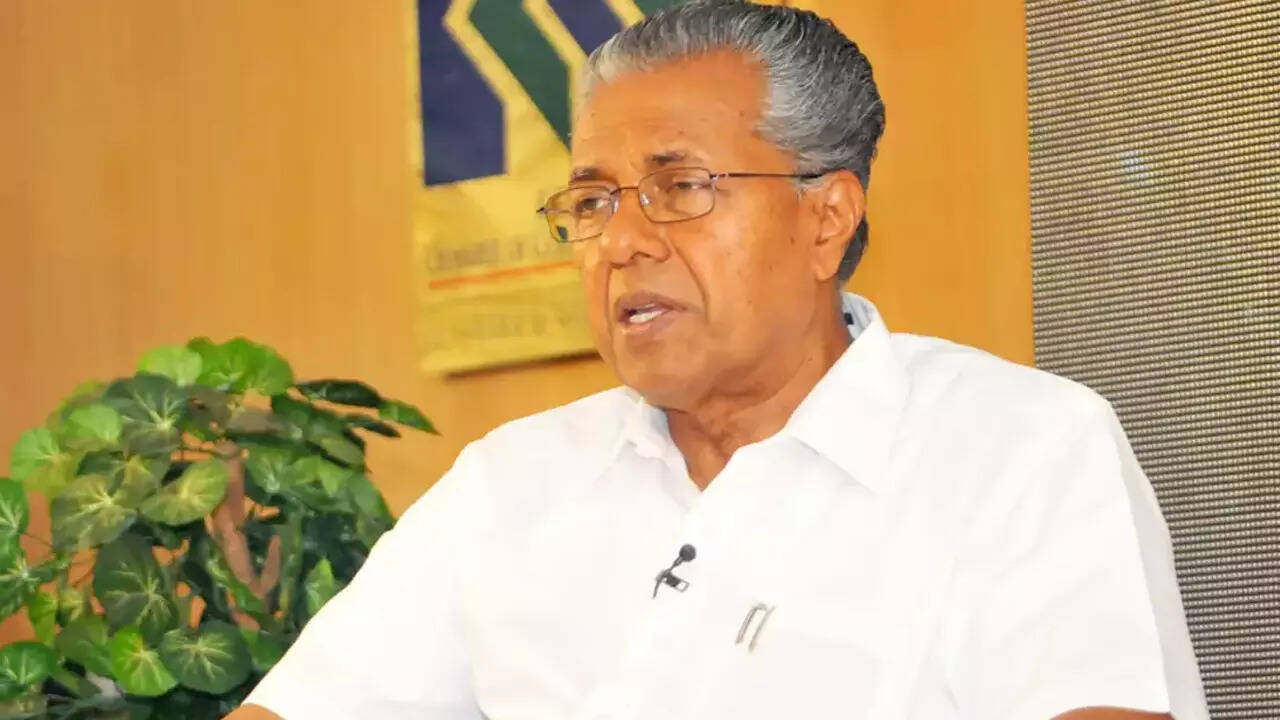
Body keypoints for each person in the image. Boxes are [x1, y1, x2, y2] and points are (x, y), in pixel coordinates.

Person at [228, 2, 1208, 718]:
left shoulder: (1019, 448)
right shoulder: (510, 484)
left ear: (826, 219)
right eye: (594, 202)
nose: (622, 242)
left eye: (680, 188)